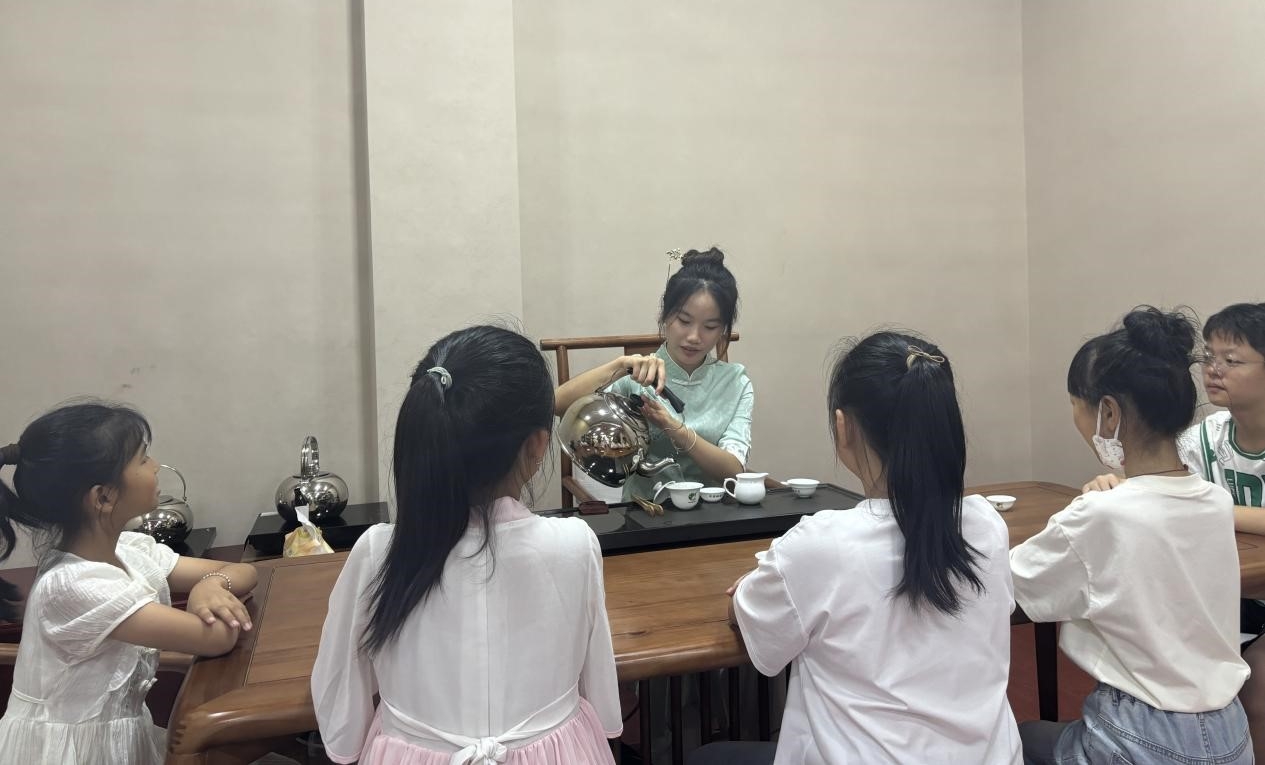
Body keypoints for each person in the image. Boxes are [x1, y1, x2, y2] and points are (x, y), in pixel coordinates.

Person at [693, 331, 1022, 764]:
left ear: (843, 426)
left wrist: (758, 586)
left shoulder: (821, 545)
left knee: (708, 757)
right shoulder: (987, 525)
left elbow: (754, 628)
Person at [312, 325, 621, 764]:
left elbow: (340, 712)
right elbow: (601, 694)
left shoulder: (378, 551)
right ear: (538, 446)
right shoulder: (575, 544)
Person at [1012, 307, 1251, 764]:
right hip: (1231, 734)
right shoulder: (1215, 502)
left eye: (1077, 409)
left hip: (1144, 736)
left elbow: (1010, 586)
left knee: (1017, 738)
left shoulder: (1100, 514)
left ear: (1108, 413)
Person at [0, 401, 258, 765]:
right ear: (103, 496)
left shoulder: (129, 550)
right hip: (71, 753)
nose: (155, 466)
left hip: (116, 737)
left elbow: (243, 572)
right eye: (143, 458)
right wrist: (210, 589)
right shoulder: (74, 586)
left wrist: (209, 586)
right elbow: (219, 637)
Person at [1084, 302, 1265, 761]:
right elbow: (1167, 490)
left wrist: (1211, 505)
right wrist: (1118, 485)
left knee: (1257, 688)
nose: (1213, 369)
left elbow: (1184, 500)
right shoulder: (1207, 436)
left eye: (1232, 360)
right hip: (1229, 595)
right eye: (1209, 356)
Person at [554, 248, 753, 501]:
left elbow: (734, 471)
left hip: (713, 514)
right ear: (665, 315)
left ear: (723, 329)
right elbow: (555, 405)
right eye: (684, 321)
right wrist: (620, 366)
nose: (694, 337)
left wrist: (675, 429)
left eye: (710, 326)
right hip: (644, 513)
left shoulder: (735, 382)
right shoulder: (636, 375)